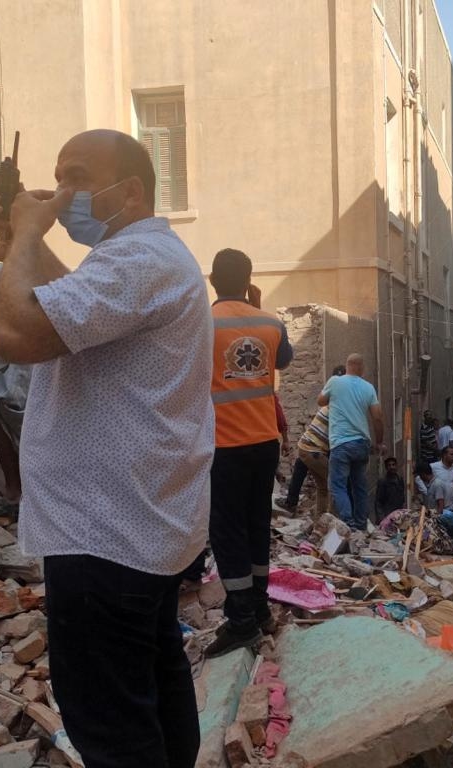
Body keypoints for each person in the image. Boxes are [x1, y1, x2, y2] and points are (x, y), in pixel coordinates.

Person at [0, 129, 212, 768]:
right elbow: (72, 309)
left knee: (109, 724)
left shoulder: (138, 261)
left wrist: (28, 237)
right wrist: (21, 246)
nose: (60, 194)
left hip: (102, 531)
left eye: (76, 177)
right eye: (56, 177)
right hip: (136, 527)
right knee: (152, 688)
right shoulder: (140, 258)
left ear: (132, 190)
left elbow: (18, 332)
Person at [202, 248, 292, 657]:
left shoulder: (203, 323)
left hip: (225, 446)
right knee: (257, 528)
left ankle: (241, 622)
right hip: (264, 443)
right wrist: (255, 307)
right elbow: (284, 360)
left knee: (227, 532)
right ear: (249, 279)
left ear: (212, 281)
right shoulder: (271, 324)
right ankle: (259, 611)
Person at [318, 354, 386, 531]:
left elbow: (320, 401)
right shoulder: (369, 388)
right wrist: (379, 442)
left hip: (341, 444)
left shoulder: (335, 381)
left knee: (338, 486)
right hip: (362, 444)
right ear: (362, 368)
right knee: (359, 486)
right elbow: (377, 418)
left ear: (347, 365)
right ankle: (361, 524)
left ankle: (348, 525)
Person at [276, 364, 346, 514]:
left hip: (307, 447)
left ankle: (319, 521)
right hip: (314, 449)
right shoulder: (339, 406)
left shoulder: (330, 401)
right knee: (336, 485)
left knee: (322, 487)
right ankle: (336, 521)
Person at [375, 456, 406, 522]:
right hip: (387, 515)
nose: (392, 467)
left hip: (398, 515)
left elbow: (402, 497)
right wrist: (381, 518)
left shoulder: (400, 479)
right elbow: (378, 501)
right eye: (389, 465)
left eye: (393, 465)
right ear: (386, 468)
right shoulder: (383, 481)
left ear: (396, 466)